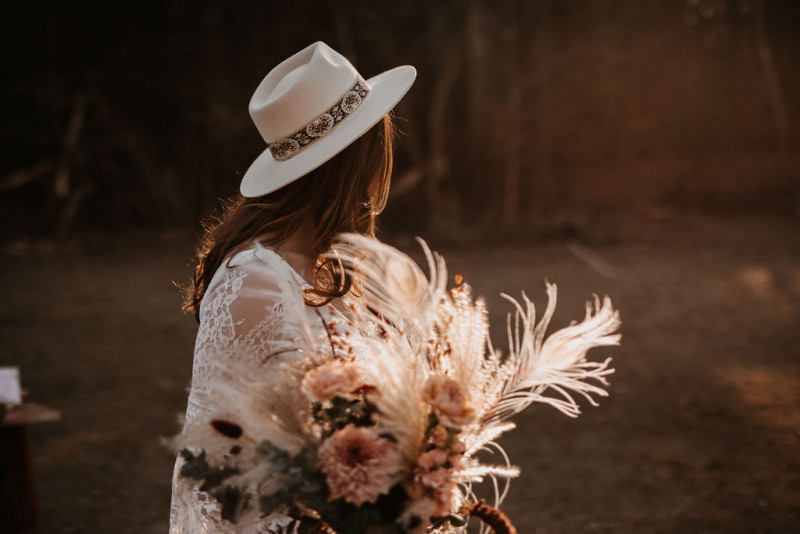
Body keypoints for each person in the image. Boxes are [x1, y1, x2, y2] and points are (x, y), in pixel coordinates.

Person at [169, 42, 416, 533]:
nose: (382, 173)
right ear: (353, 164)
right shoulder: (256, 284)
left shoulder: (325, 269)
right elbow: (226, 468)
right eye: (377, 152)